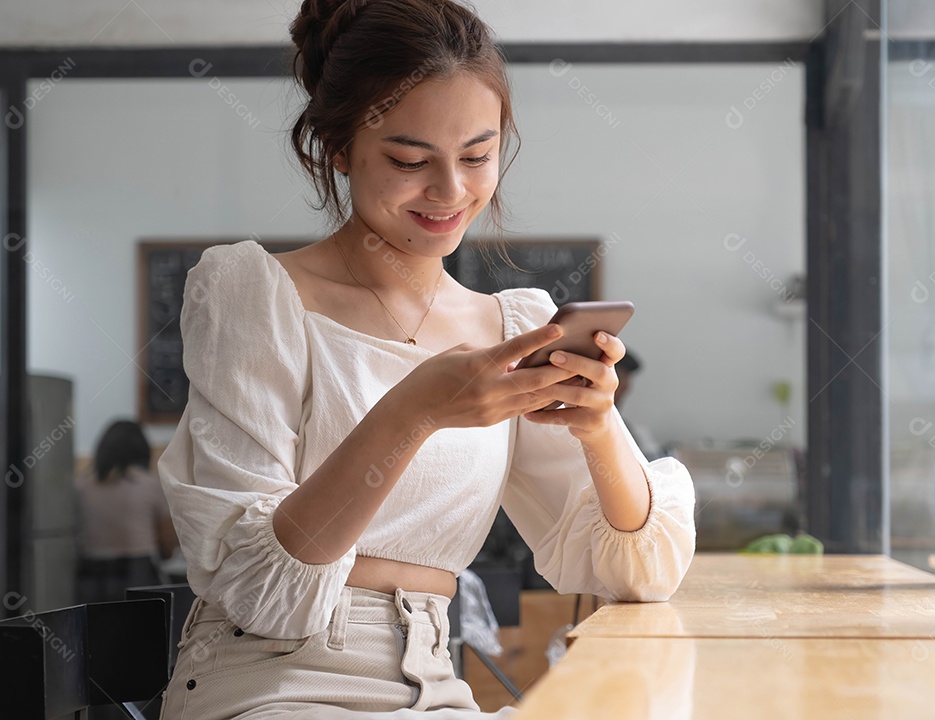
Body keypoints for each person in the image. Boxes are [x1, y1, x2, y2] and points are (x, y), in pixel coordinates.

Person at [155, 1, 696, 717]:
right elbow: (260, 591)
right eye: (409, 161)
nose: (450, 192)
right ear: (338, 148)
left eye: (476, 156)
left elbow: (638, 574)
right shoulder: (255, 294)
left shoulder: (511, 326)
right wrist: (413, 412)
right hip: (273, 679)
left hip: (436, 685)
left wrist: (597, 430)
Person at [74, 419, 178, 603]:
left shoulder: (81, 485)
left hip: (91, 577)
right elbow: (168, 543)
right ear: (142, 450)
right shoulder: (150, 484)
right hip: (139, 574)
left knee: (95, 629)